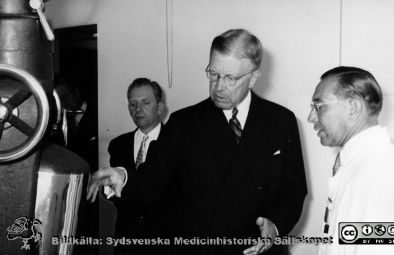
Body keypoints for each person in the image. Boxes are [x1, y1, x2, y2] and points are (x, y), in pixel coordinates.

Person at [88, 29, 307, 255]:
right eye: (213, 74)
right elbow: (152, 180)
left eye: (230, 78)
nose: (219, 86)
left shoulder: (281, 121)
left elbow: (294, 191)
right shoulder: (184, 123)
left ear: (253, 77)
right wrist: (123, 176)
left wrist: (276, 224)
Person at [308, 66, 394, 255]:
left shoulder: (382, 172)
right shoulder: (359, 164)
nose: (311, 117)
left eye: (319, 107)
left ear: (353, 107)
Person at [107, 78, 165, 255]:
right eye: (133, 104)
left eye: (146, 102)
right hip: (127, 240)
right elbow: (116, 195)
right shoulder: (118, 145)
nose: (138, 109)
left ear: (160, 108)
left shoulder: (175, 143)